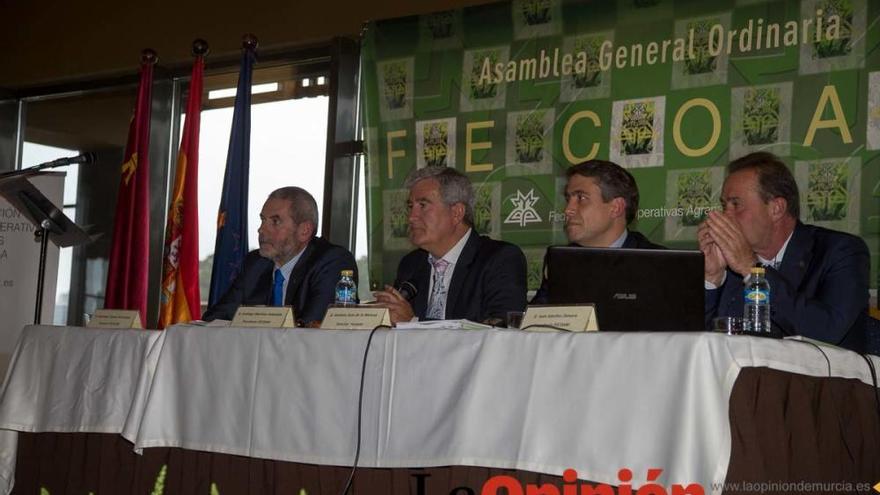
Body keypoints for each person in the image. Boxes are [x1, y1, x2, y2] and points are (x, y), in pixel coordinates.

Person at [700, 151, 869, 352]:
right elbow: (700, 344)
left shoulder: (841, 251)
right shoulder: (731, 266)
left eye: (736, 204)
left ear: (776, 209)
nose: (725, 216)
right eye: (723, 205)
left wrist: (752, 270)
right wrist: (712, 278)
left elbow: (827, 331)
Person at [373, 166, 527, 325]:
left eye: (423, 205)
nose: (411, 217)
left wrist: (413, 323)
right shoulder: (411, 264)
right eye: (411, 207)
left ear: (457, 213)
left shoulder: (501, 260)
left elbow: (501, 331)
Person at [203, 186, 357, 325]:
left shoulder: (332, 262)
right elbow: (214, 319)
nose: (261, 230)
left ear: (304, 231)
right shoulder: (255, 263)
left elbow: (311, 326)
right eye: (263, 220)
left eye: (275, 222)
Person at [531, 159, 664, 304]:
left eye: (581, 198)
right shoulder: (561, 261)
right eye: (568, 199)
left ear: (616, 208)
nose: (568, 210)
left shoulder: (659, 265)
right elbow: (533, 322)